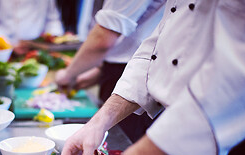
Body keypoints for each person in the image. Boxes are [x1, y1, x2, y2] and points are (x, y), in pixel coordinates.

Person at [60, 0, 245, 155]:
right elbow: (160, 47)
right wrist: (99, 122)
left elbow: (242, 71)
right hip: (177, 135)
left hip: (233, 140)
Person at [55, 0, 165, 142]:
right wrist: (102, 71)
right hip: (125, 69)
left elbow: (103, 38)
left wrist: (67, 74)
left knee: (122, 146)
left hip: (136, 78)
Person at [0, 0, 64, 53]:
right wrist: (8, 45)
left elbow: (53, 19)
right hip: (5, 50)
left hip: (39, 50)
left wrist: (51, 40)